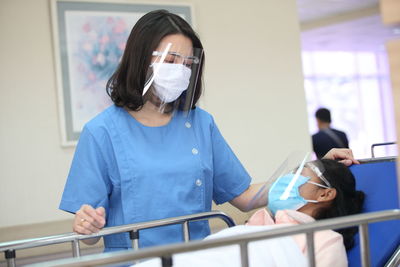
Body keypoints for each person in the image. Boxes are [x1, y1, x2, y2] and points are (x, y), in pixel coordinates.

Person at [59, 9, 359, 253]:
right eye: (170, 60)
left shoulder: (200, 123)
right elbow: (89, 234)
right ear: (140, 59)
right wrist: (87, 227)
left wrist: (318, 168)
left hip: (198, 259)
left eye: (187, 62)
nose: (179, 70)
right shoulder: (101, 132)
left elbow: (245, 196)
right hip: (137, 262)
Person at [135, 159, 365, 267]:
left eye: (299, 175)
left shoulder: (324, 240)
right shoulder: (256, 225)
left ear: (326, 194)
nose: (287, 181)